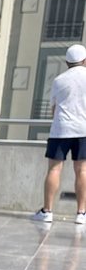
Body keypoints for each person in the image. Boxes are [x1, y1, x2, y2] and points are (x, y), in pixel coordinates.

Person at [33, 43, 86, 225]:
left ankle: (47, 211)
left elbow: (53, 109)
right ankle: (81, 213)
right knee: (82, 170)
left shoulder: (59, 80)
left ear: (67, 62)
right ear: (84, 60)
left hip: (61, 129)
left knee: (54, 169)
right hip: (83, 130)